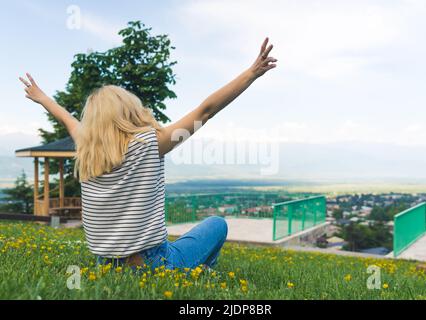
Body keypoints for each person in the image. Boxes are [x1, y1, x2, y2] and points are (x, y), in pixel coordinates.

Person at [19, 37, 277, 271]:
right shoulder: (149, 143)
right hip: (152, 262)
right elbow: (205, 111)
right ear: (129, 110)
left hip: (106, 264)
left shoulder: (87, 150)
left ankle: (196, 270)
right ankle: (202, 272)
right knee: (217, 224)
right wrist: (251, 73)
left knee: (187, 239)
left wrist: (42, 98)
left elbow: (69, 121)